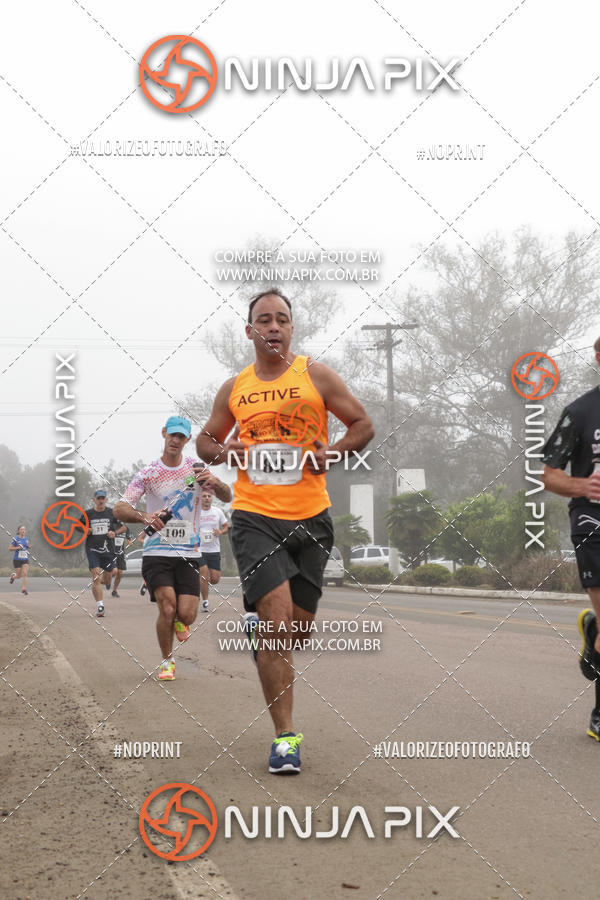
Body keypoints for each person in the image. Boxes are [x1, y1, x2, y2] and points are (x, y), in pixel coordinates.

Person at [196, 289, 374, 773]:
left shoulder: (315, 375)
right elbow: (205, 442)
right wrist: (231, 452)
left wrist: (330, 452)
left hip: (311, 517)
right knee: (276, 626)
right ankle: (285, 738)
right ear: (249, 330)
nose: (273, 327)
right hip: (255, 516)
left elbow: (362, 424)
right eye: (263, 320)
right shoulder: (235, 388)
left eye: (282, 320)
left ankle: (263, 636)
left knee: (296, 631)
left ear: (292, 328)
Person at [114, 415, 232, 681]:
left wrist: (213, 480)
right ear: (164, 433)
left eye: (181, 437)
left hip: (189, 553)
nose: (176, 441)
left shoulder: (196, 468)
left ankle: (181, 622)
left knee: (187, 615)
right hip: (157, 553)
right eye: (173, 435)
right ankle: (167, 661)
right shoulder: (148, 474)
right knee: (167, 608)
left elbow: (227, 496)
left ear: (187, 440)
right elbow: (120, 508)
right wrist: (145, 517)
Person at [541, 336, 600, 741]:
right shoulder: (579, 412)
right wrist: (583, 485)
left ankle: (594, 637)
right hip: (593, 521)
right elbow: (548, 473)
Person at [80, 491, 119, 618]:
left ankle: (105, 582)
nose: (101, 500)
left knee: (109, 576)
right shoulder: (88, 514)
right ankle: (100, 606)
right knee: (96, 576)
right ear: (94, 500)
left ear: (106, 500)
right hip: (92, 550)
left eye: (103, 498)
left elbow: (122, 527)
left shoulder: (111, 513)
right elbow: (77, 525)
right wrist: (86, 529)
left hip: (108, 550)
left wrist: (114, 532)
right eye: (98, 498)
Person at [197, 490, 229, 612]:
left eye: (209, 496)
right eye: (204, 496)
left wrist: (221, 532)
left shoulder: (218, 512)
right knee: (204, 575)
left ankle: (200, 583)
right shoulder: (196, 512)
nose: (206, 498)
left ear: (212, 498)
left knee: (215, 579)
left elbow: (226, 526)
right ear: (201, 498)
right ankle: (205, 602)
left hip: (214, 549)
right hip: (199, 549)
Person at [9, 525, 31, 595]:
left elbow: (26, 546)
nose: (23, 531)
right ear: (18, 531)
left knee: (25, 573)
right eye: (21, 529)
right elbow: (10, 548)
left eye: (24, 529)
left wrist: (28, 546)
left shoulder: (26, 539)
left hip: (25, 559)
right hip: (17, 559)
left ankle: (24, 589)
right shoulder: (15, 539)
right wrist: (18, 547)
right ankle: (13, 577)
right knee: (18, 576)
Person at [110, 521, 131, 597]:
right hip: (112, 552)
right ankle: (108, 580)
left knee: (120, 573)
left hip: (121, 552)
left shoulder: (125, 527)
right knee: (114, 571)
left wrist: (129, 540)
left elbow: (129, 536)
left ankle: (114, 591)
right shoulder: (112, 526)